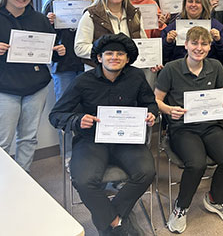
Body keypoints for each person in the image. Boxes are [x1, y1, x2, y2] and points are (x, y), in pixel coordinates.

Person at [49, 33, 157, 236]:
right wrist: (77, 120)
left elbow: (149, 103)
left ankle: (111, 216)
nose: (114, 57)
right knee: (83, 179)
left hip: (127, 139)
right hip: (91, 140)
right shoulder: (83, 81)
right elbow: (56, 115)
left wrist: (152, 114)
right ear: (99, 58)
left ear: (127, 59)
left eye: (119, 54)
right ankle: (117, 222)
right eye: (109, 53)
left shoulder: (136, 76)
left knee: (146, 172)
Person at [155, 26, 223, 234]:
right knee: (196, 164)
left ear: (210, 47)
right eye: (194, 43)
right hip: (182, 128)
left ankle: (215, 199)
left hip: (210, 126)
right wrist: (169, 110)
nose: (199, 48)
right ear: (186, 45)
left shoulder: (216, 66)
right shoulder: (172, 68)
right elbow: (156, 99)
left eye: (204, 44)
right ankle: (181, 207)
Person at [0, 0, 65, 172]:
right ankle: (1, 180)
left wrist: (58, 52)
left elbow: (48, 53)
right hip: (1, 90)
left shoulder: (39, 19)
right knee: (2, 141)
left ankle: (22, 175)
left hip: (35, 89)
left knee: (28, 138)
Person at [43, 0, 93, 157]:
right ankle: (68, 156)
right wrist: (48, 23)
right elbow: (42, 39)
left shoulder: (92, 4)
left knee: (88, 109)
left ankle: (86, 155)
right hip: (63, 66)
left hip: (87, 64)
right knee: (65, 111)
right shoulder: (52, 4)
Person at [75, 0, 146, 67]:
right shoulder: (91, 15)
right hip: (98, 74)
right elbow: (79, 48)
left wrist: (152, 60)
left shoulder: (135, 14)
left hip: (128, 73)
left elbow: (144, 44)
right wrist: (108, 52)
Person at [161, 0, 223, 65]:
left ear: (204, 4)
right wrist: (168, 42)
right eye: (190, 1)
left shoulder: (216, 26)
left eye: (198, 2)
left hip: (208, 70)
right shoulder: (173, 27)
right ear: (185, 4)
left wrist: (219, 40)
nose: (193, 5)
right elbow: (162, 55)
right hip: (179, 70)